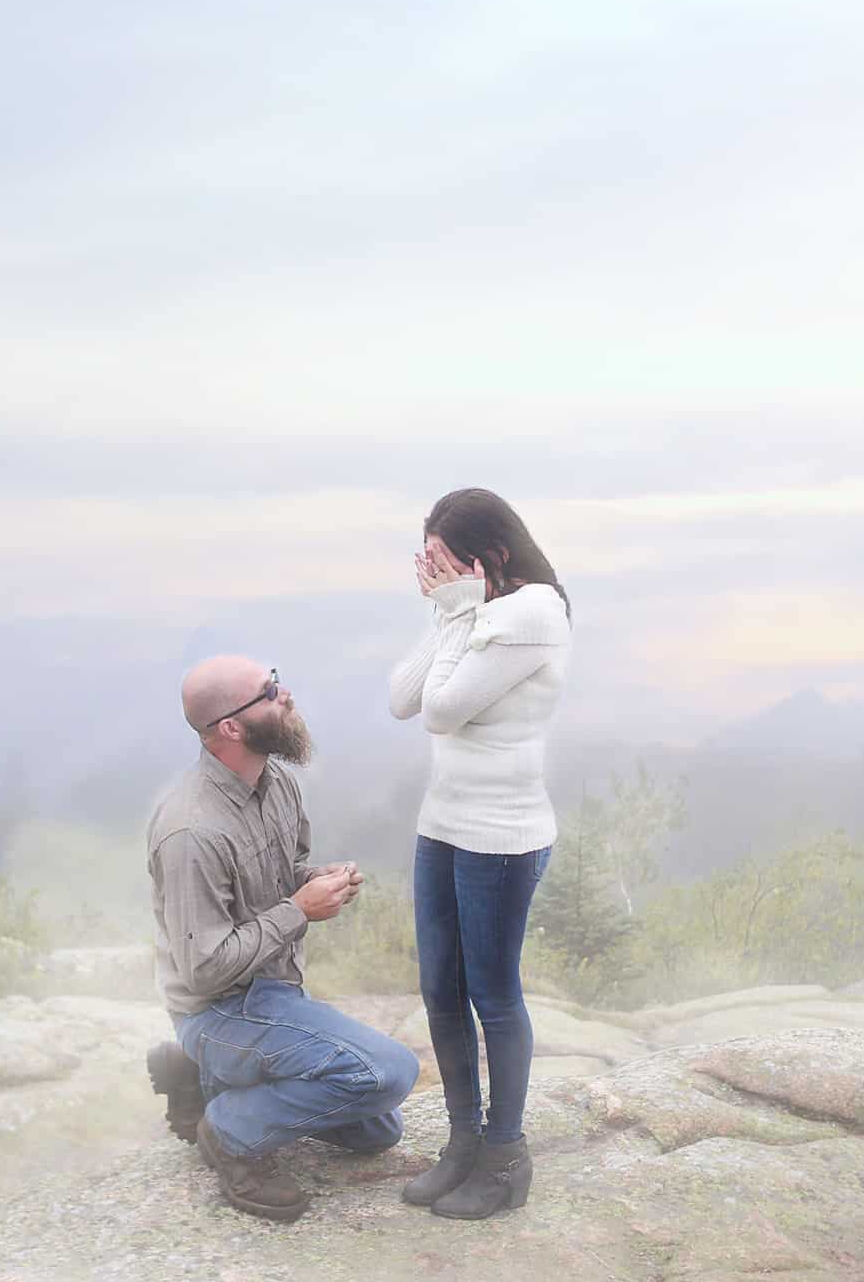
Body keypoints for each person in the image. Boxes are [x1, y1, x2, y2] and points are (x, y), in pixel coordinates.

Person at [144, 654, 419, 1223]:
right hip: (220, 1009)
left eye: (277, 680)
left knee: (377, 1129)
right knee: (385, 1074)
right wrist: (298, 911)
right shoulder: (192, 831)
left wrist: (313, 882)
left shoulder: (279, 785)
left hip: (273, 997)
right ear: (231, 727)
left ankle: (205, 1078)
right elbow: (204, 971)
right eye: (270, 691)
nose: (286, 695)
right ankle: (227, 1130)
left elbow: (282, 874)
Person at [388, 488, 571, 1220]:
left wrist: (461, 609)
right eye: (425, 561)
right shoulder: (475, 611)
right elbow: (403, 695)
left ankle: (505, 1156)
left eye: (442, 559)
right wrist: (451, 608)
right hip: (445, 823)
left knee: (493, 996)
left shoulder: (534, 613)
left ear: (487, 553)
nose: (432, 573)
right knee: (440, 986)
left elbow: (441, 710)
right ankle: (463, 1141)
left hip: (503, 833)